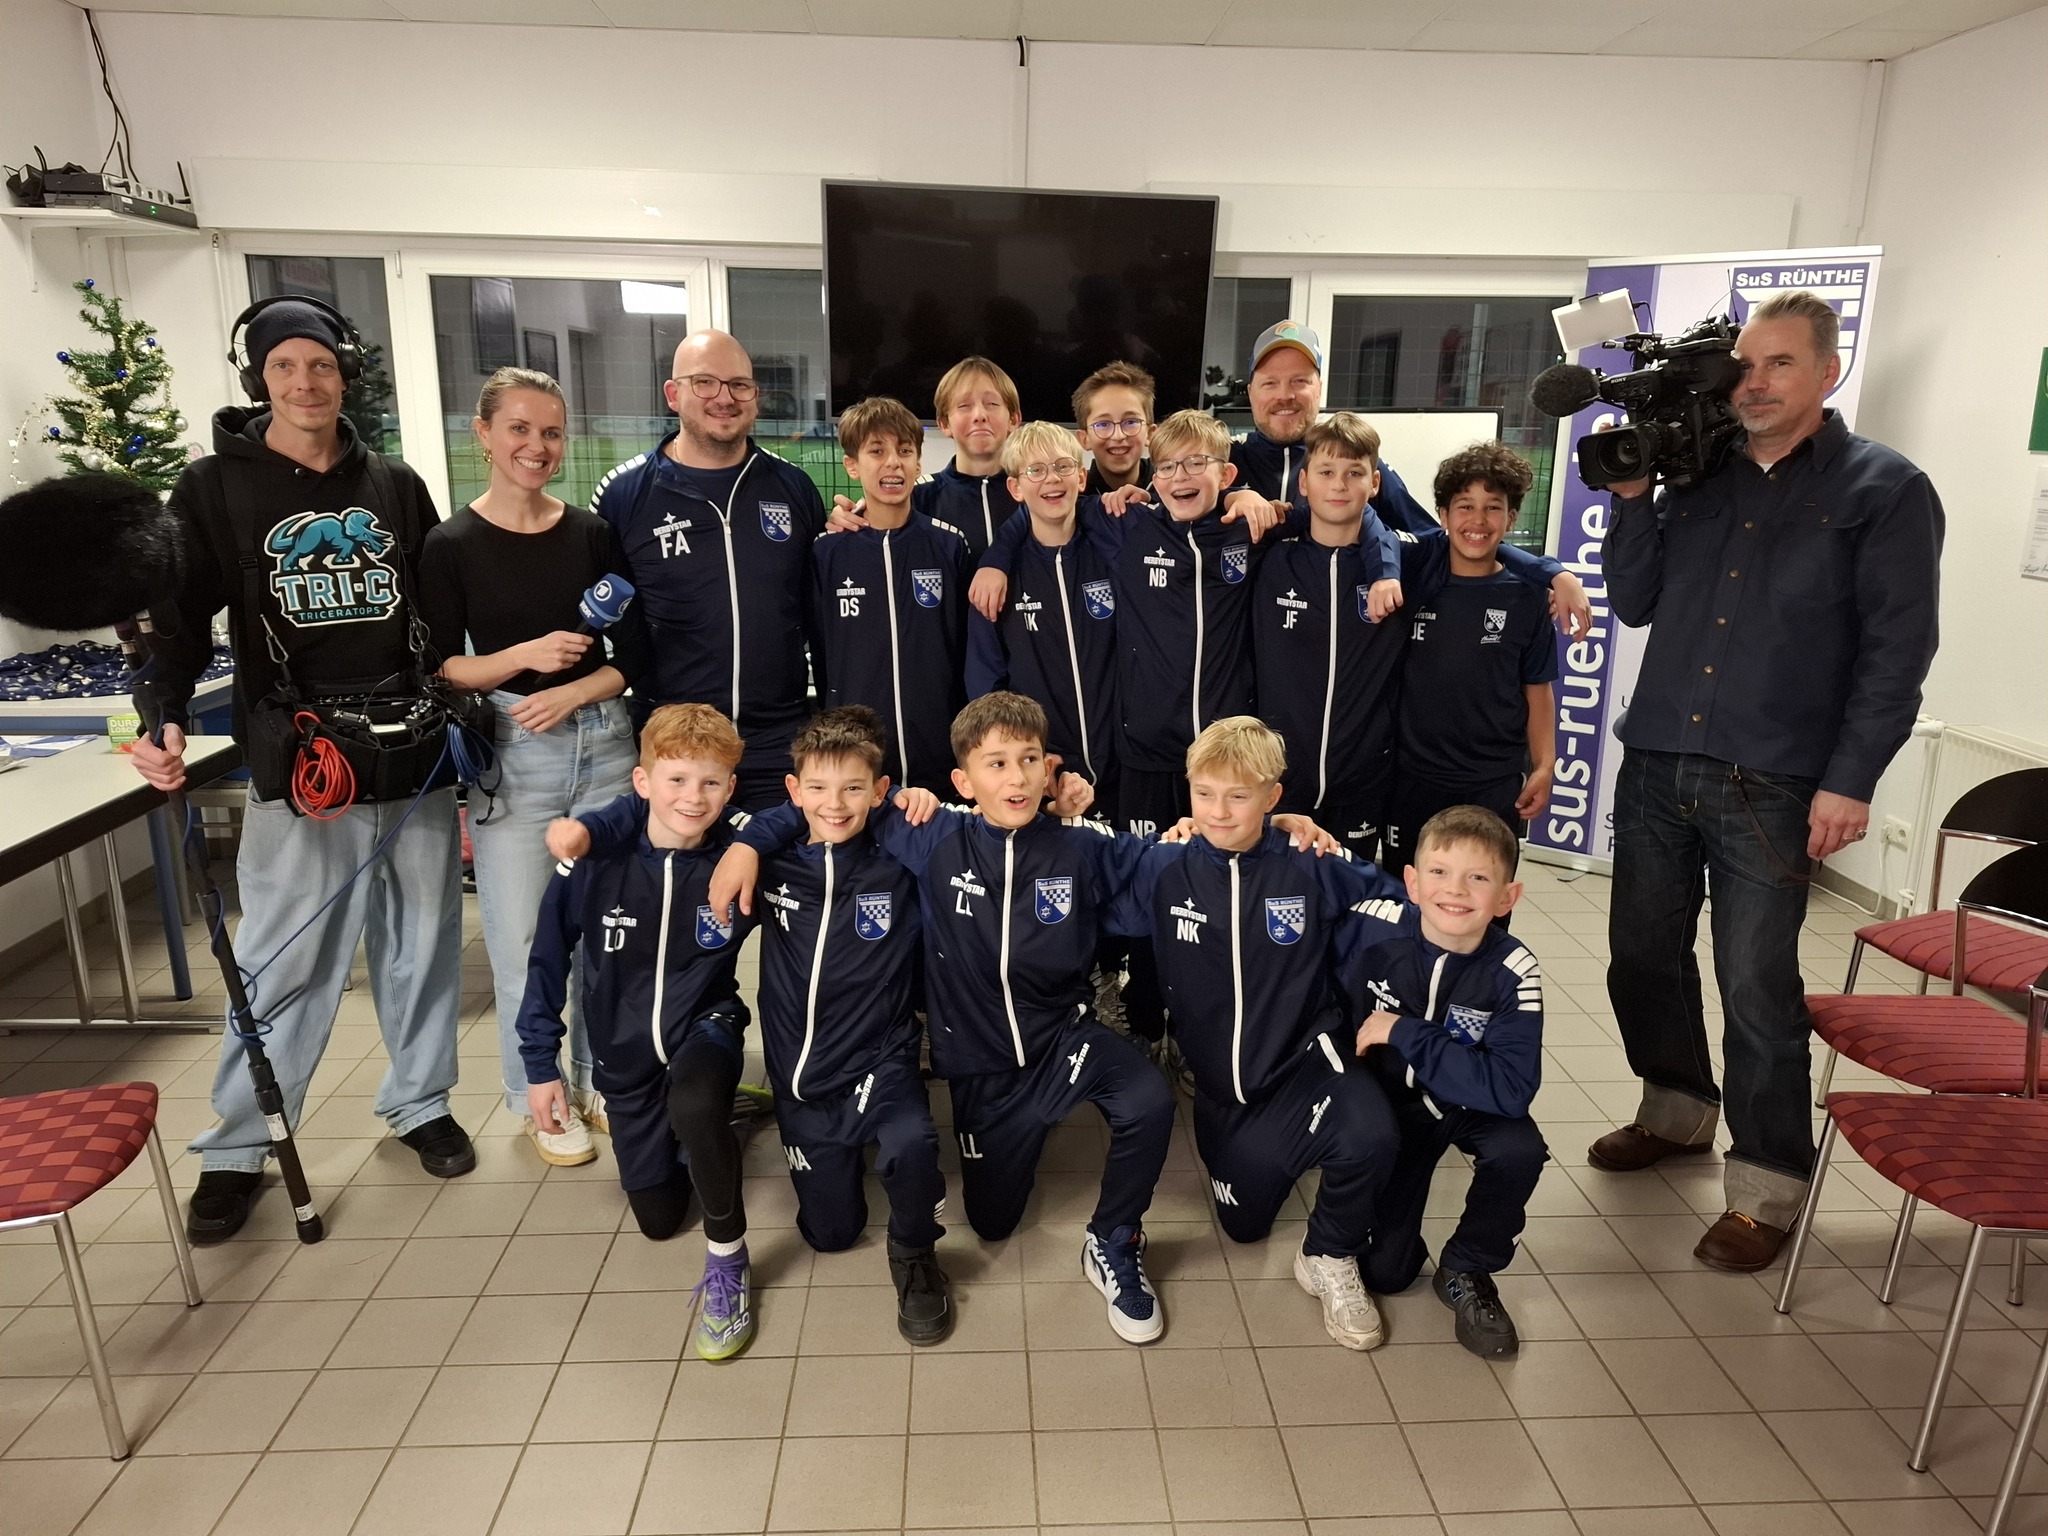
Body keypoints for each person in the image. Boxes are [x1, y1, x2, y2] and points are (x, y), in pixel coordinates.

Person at [1589, 289, 1943, 1271]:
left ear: (1827, 371)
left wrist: (1850, 780)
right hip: (1658, 758)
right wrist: (1633, 502)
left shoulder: (1884, 489)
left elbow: (1896, 653)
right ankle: (1674, 1112)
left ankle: (1766, 1187)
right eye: (1744, 365)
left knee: (1753, 984)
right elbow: (1634, 600)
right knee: (1640, 958)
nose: (1753, 382)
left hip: (1775, 780)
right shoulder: (1697, 478)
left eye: (1779, 363)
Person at [130, 296, 473, 1244]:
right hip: (304, 761)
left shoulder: (395, 484)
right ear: (258, 378)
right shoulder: (213, 489)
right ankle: (241, 1145)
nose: (305, 382)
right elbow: (176, 625)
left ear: (344, 374)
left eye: (320, 364)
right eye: (283, 366)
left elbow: (438, 615)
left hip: (409, 754)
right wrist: (162, 717)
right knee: (285, 958)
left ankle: (420, 1102)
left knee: (422, 940)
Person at [712, 692, 1177, 1344]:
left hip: (1061, 1041)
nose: (1015, 778)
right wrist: (748, 842)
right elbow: (836, 796)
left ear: (1050, 769)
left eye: (1029, 761)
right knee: (983, 1223)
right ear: (963, 780)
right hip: (982, 1069)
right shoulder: (933, 836)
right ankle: (981, 1139)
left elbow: (1170, 862)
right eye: (996, 763)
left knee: (1150, 1099)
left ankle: (1114, 1238)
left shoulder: (1080, 843)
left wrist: (1275, 831)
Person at [418, 367, 649, 1167]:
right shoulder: (450, 545)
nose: (536, 446)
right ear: (483, 434)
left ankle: (600, 1081)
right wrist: (523, 660)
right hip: (516, 757)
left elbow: (635, 655)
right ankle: (538, 1098)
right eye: (518, 428)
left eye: (550, 431)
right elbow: (442, 667)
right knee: (525, 939)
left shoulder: (591, 534)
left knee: (606, 934)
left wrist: (576, 689)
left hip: (605, 748)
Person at [1121, 718, 1403, 1350]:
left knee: (1371, 1134)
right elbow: (1077, 880)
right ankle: (1282, 1152)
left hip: (1307, 1062)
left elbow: (1401, 911)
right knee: (1243, 1226)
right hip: (1224, 1092)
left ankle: (1328, 1252)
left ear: (1273, 796)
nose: (1219, 811)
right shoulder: (1164, 865)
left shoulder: (1311, 860)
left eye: (1239, 796)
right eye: (1204, 794)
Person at [521, 704, 762, 1360]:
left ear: (731, 788)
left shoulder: (740, 855)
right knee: (658, 1221)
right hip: (623, 1054)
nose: (693, 797)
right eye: (676, 779)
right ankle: (704, 1124)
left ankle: (729, 1262)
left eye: (711, 782)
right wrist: (540, 1065)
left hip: (706, 1026)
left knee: (696, 1101)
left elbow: (808, 825)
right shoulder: (594, 860)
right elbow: (546, 962)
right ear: (642, 781)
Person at [1251, 416, 1575, 863]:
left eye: (1354, 473)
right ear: (1304, 482)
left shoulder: (1410, 565)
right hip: (1289, 772)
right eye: (1326, 472)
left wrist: (1554, 572)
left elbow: (1467, 542)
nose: (1339, 485)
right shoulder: (1270, 554)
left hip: (1372, 777)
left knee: (1372, 895)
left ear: (1375, 483)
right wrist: (1243, 497)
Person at [589, 329, 826, 810]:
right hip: (675, 745)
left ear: (755, 397)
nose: (724, 397)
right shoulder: (623, 494)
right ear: (673, 394)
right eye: (705, 382)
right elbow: (606, 621)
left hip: (778, 740)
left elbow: (815, 609)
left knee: (775, 861)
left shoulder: (794, 488)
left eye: (739, 385)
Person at [1346, 805, 1548, 1359]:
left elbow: (1512, 1090)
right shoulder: (1371, 926)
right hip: (1392, 1112)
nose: (1455, 891)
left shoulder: (1515, 971)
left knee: (1519, 1149)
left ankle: (1468, 1266)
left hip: (1466, 1104)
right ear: (1412, 882)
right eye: (1439, 872)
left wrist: (1407, 1032)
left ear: (1507, 897)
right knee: (1387, 1274)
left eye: (1478, 878)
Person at [1383, 443, 1561, 881]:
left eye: (1492, 508)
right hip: (1411, 777)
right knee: (1410, 898)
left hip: (1493, 781)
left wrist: (1544, 766)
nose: (1478, 521)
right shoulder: (1411, 582)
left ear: (1511, 519)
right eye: (1465, 506)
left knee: (1485, 899)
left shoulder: (1529, 596)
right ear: (1443, 516)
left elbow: (1537, 687)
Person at [811, 397, 972, 795]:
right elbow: (821, 646)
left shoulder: (949, 546)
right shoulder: (826, 552)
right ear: (852, 465)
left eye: (904, 451)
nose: (893, 463)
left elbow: (964, 647)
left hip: (938, 751)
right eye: (876, 451)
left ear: (918, 464)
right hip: (856, 754)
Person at [1228, 321, 1438, 534]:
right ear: (1251, 392)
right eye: (1270, 383)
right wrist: (1230, 497)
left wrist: (1377, 541)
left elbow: (1431, 541)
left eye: (1299, 381)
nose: (1284, 395)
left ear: (1319, 389)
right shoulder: (1223, 462)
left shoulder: (1356, 464)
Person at [910, 356, 1024, 560]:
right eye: (964, 406)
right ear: (944, 424)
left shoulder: (1035, 490)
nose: (980, 415)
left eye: (992, 403)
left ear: (1013, 420)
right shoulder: (917, 496)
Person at [1074, 361, 1154, 495]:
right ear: (1084, 439)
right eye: (1103, 424)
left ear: (1150, 433)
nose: (1118, 435)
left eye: (1130, 422)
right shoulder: (1072, 498)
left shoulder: (1174, 488)